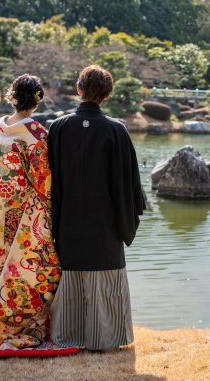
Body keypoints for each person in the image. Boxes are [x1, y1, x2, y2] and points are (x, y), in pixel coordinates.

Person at [47, 65, 146, 352]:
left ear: (79, 90)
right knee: (105, 277)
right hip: (106, 224)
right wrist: (130, 213)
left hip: (67, 222)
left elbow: (49, 178)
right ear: (108, 94)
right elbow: (130, 184)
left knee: (70, 277)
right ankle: (104, 339)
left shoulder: (59, 127)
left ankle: (67, 336)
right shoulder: (116, 130)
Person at [0, 74, 62, 350]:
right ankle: (29, 329)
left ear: (12, 98)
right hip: (25, 218)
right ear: (37, 102)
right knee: (37, 269)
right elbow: (46, 184)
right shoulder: (37, 135)